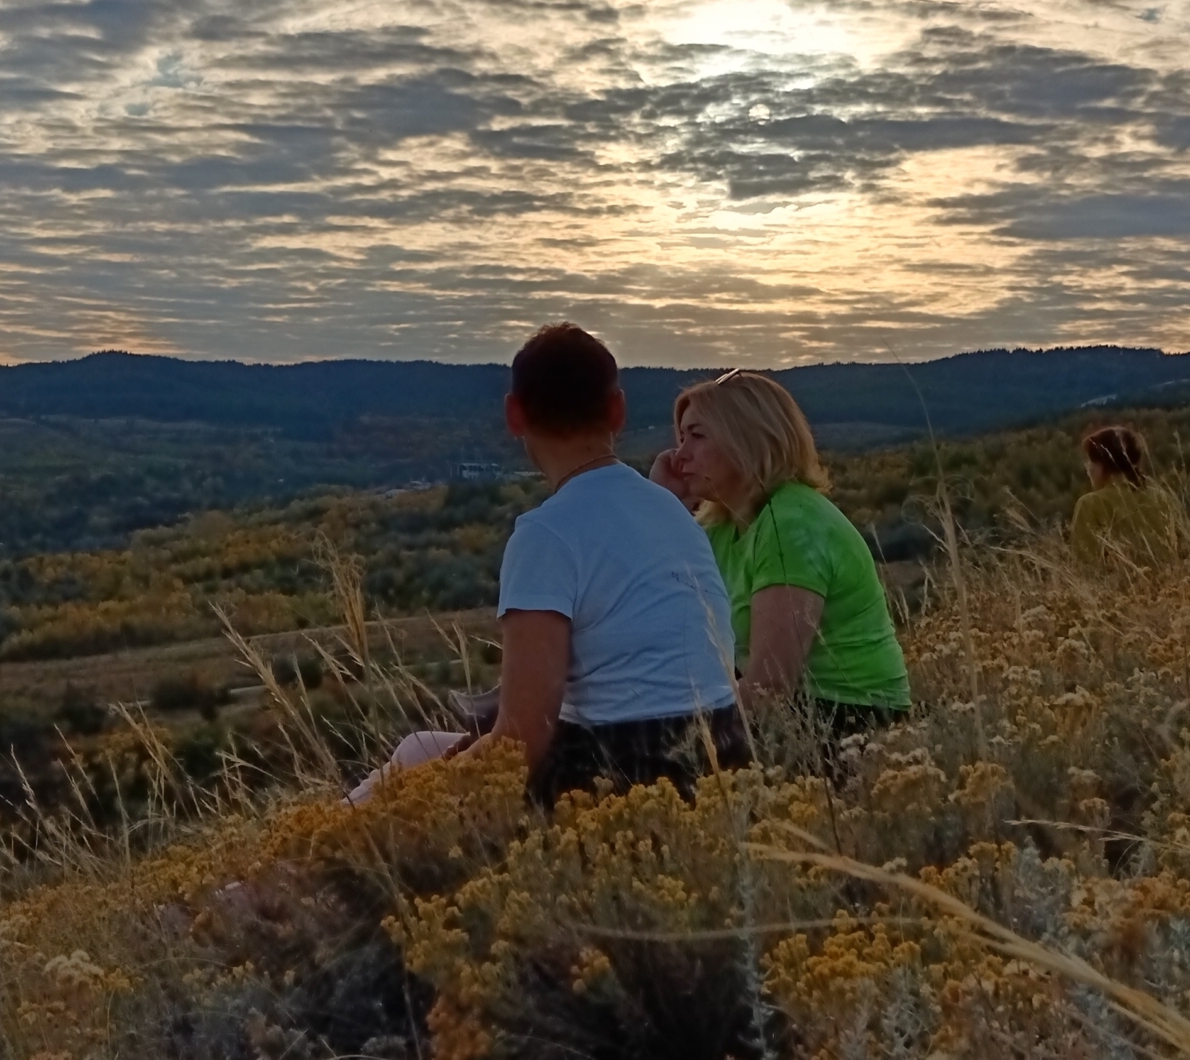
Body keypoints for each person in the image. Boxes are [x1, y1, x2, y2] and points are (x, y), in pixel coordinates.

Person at [351, 324, 748, 808]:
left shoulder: (546, 534)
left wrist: (408, 806)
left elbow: (522, 739)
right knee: (418, 749)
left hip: (619, 782)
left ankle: (311, 847)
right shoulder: (676, 512)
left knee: (388, 799)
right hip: (721, 764)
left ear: (514, 415)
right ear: (617, 411)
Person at [651, 371, 910, 741]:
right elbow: (651, 611)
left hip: (848, 721)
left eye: (697, 436)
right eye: (680, 438)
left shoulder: (791, 523)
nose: (679, 456)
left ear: (747, 440)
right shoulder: (722, 523)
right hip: (790, 712)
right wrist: (663, 503)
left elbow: (770, 684)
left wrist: (684, 737)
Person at [1069, 425, 1178, 567]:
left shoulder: (1089, 504)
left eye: (1091, 461)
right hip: (1169, 578)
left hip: (1117, 580)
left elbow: (1084, 562)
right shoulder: (1162, 498)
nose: (1088, 469)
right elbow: (1186, 548)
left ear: (1102, 465)